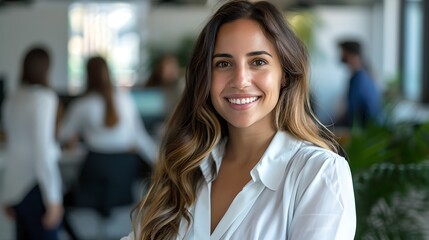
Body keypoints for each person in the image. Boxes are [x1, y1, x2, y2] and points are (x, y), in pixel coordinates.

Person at [123, 1, 356, 239]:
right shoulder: (188, 166)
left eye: (258, 62)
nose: (240, 80)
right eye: (223, 64)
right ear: (206, 77)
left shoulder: (319, 173)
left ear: (284, 74)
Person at [59, 56, 158, 239]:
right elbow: (140, 137)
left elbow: (62, 134)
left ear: (87, 76)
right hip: (123, 176)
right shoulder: (125, 99)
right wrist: (160, 161)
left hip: (93, 172)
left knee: (59, 193)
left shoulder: (82, 104)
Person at [1, 46, 64, 239]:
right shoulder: (44, 98)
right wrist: (53, 198)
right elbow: (42, 152)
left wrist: (7, 194)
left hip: (16, 187)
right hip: (36, 186)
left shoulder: (12, 98)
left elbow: (10, 147)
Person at [337, 40, 382, 128]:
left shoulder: (360, 79)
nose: (341, 56)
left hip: (364, 132)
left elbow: (352, 111)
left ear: (351, 55)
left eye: (343, 52)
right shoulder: (363, 75)